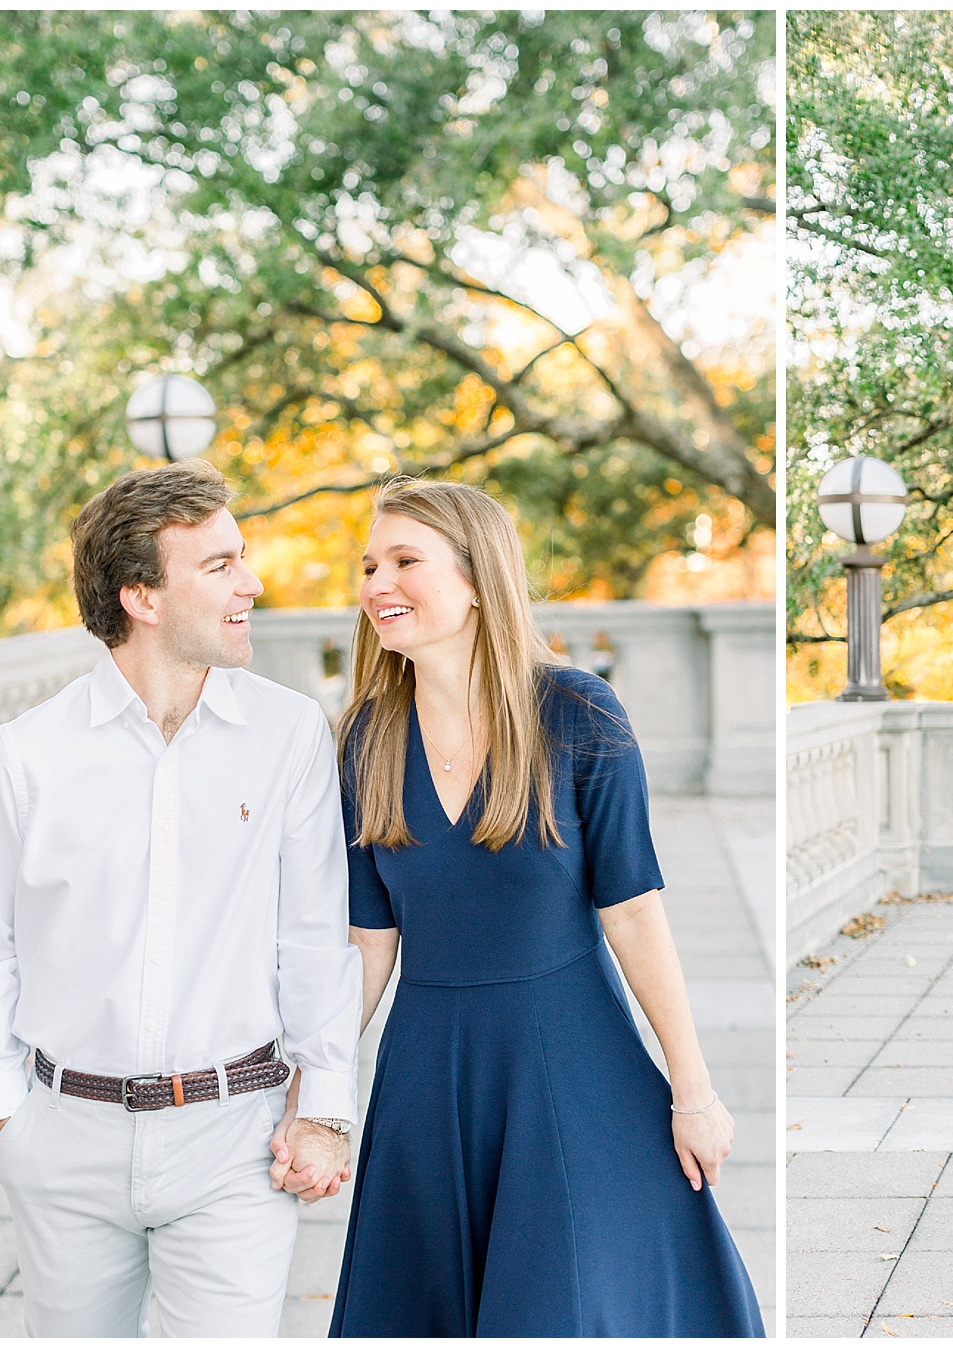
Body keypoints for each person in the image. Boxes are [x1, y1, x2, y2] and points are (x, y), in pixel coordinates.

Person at [329, 478, 762, 1338]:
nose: (378, 583)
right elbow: (368, 942)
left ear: (478, 577)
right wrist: (316, 1090)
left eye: (406, 560)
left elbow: (633, 911)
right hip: (427, 1077)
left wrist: (694, 1091)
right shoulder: (365, 739)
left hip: (571, 1065)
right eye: (370, 565)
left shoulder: (577, 712)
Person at [0, 460, 364, 1336]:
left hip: (235, 1141)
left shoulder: (288, 734)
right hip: (64, 1141)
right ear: (141, 597)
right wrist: (7, 1119)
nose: (251, 584)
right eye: (219, 565)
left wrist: (324, 1109)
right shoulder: (22, 758)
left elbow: (315, 936)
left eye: (241, 557)